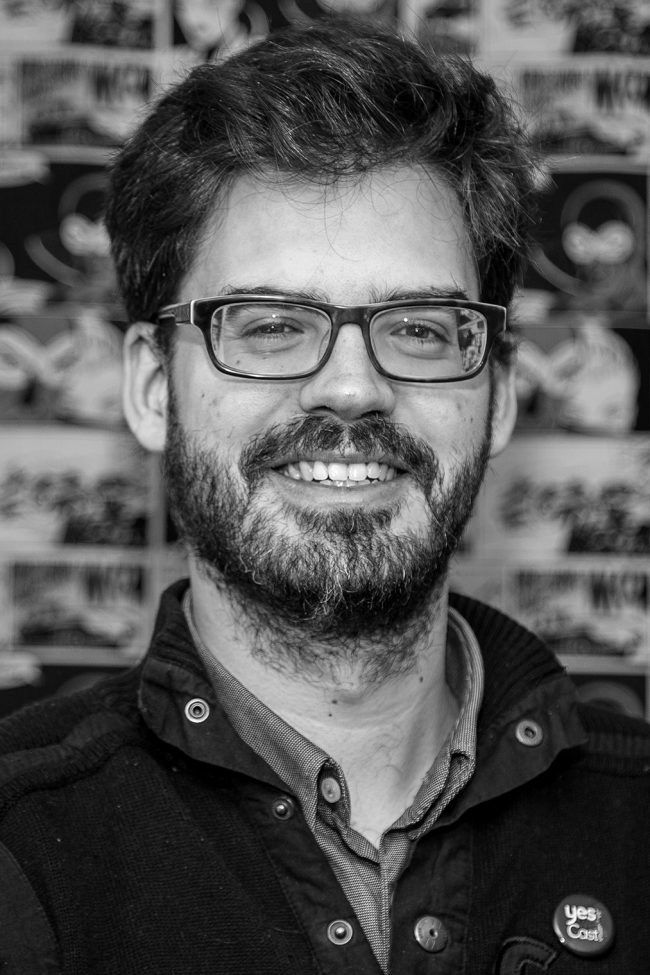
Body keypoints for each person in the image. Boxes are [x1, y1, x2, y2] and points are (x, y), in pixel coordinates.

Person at [1, 19, 649, 975]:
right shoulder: (20, 844)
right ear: (150, 387)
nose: (351, 387)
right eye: (269, 325)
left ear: (501, 394)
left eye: (419, 327)